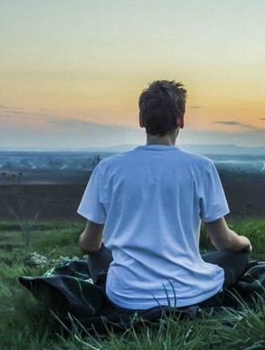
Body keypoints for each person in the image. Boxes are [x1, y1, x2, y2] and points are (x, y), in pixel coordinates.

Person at [77, 80, 251, 310]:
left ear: (141, 120)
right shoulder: (201, 167)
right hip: (189, 294)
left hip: (126, 297)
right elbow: (223, 241)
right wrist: (245, 243)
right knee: (238, 255)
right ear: (181, 120)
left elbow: (89, 244)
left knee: (97, 254)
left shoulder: (108, 168)